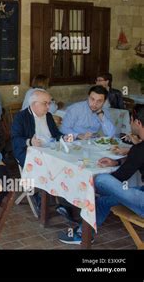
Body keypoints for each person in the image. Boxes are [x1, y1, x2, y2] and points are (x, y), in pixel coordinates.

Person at [59, 104, 144, 244]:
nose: (130, 124)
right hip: (141, 192)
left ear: (138, 122)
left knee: (101, 180)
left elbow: (120, 177)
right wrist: (116, 163)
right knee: (103, 202)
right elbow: (133, 164)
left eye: (131, 120)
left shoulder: (139, 149)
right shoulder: (139, 149)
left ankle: (77, 197)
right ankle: (83, 234)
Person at [12, 89, 65, 168]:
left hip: (51, 150)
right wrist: (30, 142)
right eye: (45, 103)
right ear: (34, 103)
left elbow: (56, 133)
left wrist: (63, 137)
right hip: (31, 151)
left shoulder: (48, 116)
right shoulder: (21, 117)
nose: (48, 107)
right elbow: (15, 139)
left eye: (49, 103)